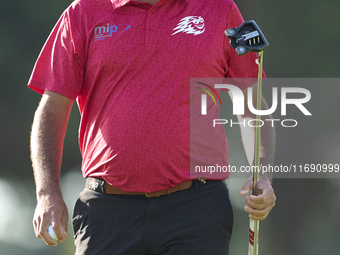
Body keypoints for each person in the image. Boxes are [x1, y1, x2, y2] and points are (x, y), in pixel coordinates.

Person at [29, 0, 276, 254]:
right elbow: (52, 110)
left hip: (196, 208)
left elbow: (252, 105)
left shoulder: (219, 9)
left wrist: (263, 175)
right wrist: (47, 192)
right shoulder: (82, 12)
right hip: (106, 210)